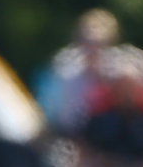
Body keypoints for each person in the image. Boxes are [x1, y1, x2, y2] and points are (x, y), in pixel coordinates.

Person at [37, 9, 123, 139]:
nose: (93, 49)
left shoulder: (120, 71)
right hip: (70, 136)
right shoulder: (65, 70)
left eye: (99, 44)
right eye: (87, 42)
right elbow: (58, 115)